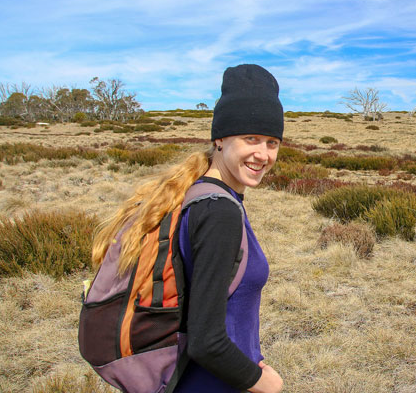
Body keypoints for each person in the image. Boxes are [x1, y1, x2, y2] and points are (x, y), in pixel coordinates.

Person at [91, 64, 285, 393]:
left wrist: (248, 359)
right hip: (212, 381)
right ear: (220, 139)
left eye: (272, 142)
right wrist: (262, 382)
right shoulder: (219, 211)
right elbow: (206, 341)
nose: (263, 154)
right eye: (251, 138)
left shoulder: (197, 194)